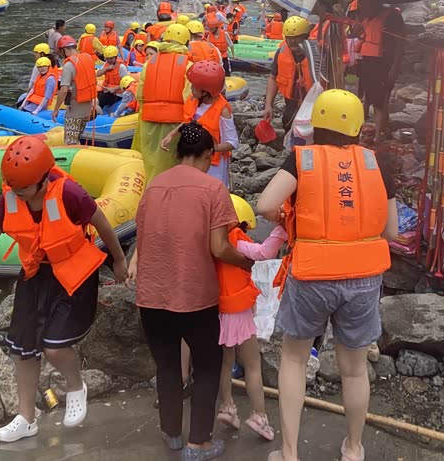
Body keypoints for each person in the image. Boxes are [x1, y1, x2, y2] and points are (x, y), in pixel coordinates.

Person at [0, 136, 127, 440]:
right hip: (34, 273)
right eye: (13, 187)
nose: (18, 194)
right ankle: (26, 418)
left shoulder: (70, 193)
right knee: (23, 349)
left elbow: (102, 223)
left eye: (24, 189)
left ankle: (75, 385)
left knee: (54, 345)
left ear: (44, 179)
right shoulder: (9, 199)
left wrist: (119, 259)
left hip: (73, 272)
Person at [258, 89, 397, 461]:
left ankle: (289, 453)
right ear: (358, 128)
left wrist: (288, 220)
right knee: (354, 371)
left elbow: (265, 204)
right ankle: (353, 448)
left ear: (315, 123)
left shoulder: (301, 158)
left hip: (312, 274)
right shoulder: (376, 163)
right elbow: (392, 232)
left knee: (294, 360)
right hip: (363, 278)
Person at [128, 122, 253, 460]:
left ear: (179, 151)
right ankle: (199, 444)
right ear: (208, 155)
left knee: (167, 365)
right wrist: (246, 262)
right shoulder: (213, 189)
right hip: (195, 296)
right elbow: (219, 247)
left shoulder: (153, 186)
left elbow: (143, 237)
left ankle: (171, 433)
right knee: (208, 366)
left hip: (152, 296)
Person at [216, 195, 284, 442]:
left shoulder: (211, 241)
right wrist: (282, 230)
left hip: (218, 310)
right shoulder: (236, 239)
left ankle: (227, 407)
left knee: (225, 364)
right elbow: (264, 252)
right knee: (253, 366)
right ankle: (259, 416)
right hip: (238, 312)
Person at [131, 23, 192, 184]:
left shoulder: (149, 63)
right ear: (186, 42)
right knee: (170, 164)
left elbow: (140, 94)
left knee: (150, 163)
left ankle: (149, 190)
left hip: (148, 121)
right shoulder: (187, 65)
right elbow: (189, 97)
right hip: (174, 124)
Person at [352, 0, 406, 137]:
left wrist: (394, 68)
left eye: (364, 2)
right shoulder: (366, 17)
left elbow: (400, 44)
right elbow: (355, 34)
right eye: (360, 3)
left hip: (383, 64)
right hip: (366, 62)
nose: (362, 6)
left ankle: (378, 137)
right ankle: (363, 132)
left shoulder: (392, 17)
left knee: (380, 101)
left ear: (375, 2)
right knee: (366, 98)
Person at [180, 60, 238, 188]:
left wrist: (208, 148)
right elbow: (186, 123)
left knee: (209, 190)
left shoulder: (223, 111)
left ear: (206, 91)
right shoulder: (194, 101)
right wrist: (170, 136)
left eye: (194, 87)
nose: (191, 88)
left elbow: (233, 142)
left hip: (213, 166)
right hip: (192, 159)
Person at [263, 15, 321, 136]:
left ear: (305, 36)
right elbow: (273, 78)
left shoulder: (316, 53)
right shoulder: (281, 52)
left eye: (296, 37)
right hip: (291, 103)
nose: (293, 41)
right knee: (288, 124)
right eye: (289, 38)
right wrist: (268, 105)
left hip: (313, 104)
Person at [51, 36, 98, 145]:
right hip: (87, 108)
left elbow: (63, 90)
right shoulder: (88, 58)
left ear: (64, 49)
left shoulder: (69, 65)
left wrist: (56, 109)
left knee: (70, 142)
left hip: (74, 110)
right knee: (77, 137)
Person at [97, 45, 130, 110]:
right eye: (107, 58)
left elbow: (126, 84)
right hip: (108, 91)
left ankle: (98, 113)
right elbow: (98, 74)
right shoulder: (106, 64)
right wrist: (106, 69)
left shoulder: (121, 67)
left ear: (115, 57)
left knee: (102, 100)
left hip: (118, 94)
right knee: (97, 95)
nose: (109, 60)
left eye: (111, 58)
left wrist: (114, 89)